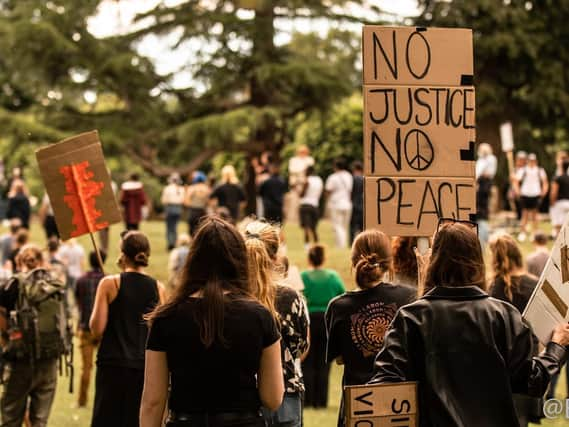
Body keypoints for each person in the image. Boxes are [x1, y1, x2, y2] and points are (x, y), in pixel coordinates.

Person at [371, 221, 569, 427]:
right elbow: (532, 382)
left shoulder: (411, 318)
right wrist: (556, 347)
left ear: (435, 261)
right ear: (477, 261)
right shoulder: (503, 315)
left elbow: (384, 385)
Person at [140, 216, 284, 427]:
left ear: (193, 260)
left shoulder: (166, 318)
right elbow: (273, 398)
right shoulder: (260, 316)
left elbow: (153, 401)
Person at [326, 230, 416, 426]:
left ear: (352, 261)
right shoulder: (410, 297)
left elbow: (340, 358)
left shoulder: (338, 306)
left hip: (358, 404)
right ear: (389, 261)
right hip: (401, 404)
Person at [90, 231, 165, 427]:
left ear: (122, 254)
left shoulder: (109, 284)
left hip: (112, 364)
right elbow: (162, 334)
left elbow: (97, 329)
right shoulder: (159, 289)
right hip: (144, 367)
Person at [243, 220, 309, 427]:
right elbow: (301, 347)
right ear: (276, 254)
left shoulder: (234, 294)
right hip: (285, 391)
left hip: (244, 393)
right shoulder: (290, 296)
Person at [0, 245, 63, 427]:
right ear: (42, 262)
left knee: (11, 418)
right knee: (39, 420)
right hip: (49, 360)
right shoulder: (54, 286)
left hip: (20, 359)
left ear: (18, 263)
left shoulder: (10, 286)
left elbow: (2, 321)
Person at [488, 233, 543, 426]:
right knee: (521, 418)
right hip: (529, 355)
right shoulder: (534, 283)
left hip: (500, 359)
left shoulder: (493, 287)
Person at [301, 244, 345, 408]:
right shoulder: (333, 277)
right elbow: (342, 294)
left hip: (309, 322)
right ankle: (321, 401)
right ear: (324, 258)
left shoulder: (303, 276)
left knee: (308, 362)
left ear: (309, 259)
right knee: (324, 362)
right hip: (327, 321)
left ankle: (308, 400)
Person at [74, 250, 107, 408]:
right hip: (104, 329)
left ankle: (81, 402)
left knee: (85, 368)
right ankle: (105, 399)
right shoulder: (107, 280)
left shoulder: (81, 280)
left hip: (85, 327)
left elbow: (78, 303)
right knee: (106, 367)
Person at [515, 153, 548, 241]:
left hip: (536, 194)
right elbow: (516, 181)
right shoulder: (523, 170)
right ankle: (523, 232)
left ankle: (535, 233)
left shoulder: (540, 170)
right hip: (525, 194)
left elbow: (545, 182)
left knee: (535, 214)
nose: (532, 162)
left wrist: (543, 191)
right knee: (524, 214)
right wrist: (518, 191)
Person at [325, 158, 353, 249]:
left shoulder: (333, 177)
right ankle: (342, 245)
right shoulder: (349, 176)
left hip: (336, 204)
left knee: (337, 226)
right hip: (347, 204)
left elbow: (328, 190)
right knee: (344, 226)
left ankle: (341, 246)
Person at [476, 143, 497, 251]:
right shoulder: (481, 160)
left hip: (484, 184)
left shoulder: (490, 159)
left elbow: (487, 173)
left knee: (482, 211)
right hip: (481, 183)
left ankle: (483, 241)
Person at [299, 166, 323, 250]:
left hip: (305, 204)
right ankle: (317, 245)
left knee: (306, 227)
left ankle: (307, 246)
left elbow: (301, 194)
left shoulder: (307, 180)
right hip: (315, 205)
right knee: (314, 228)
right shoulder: (319, 180)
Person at [161, 173, 185, 251]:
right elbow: (183, 200)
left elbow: (164, 200)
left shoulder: (167, 188)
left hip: (170, 207)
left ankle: (170, 244)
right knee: (175, 227)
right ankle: (174, 243)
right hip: (178, 208)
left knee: (169, 227)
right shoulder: (182, 189)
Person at [185, 171, 211, 236]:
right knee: (202, 230)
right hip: (203, 212)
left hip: (193, 211)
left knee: (191, 231)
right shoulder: (207, 188)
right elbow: (209, 202)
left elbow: (186, 202)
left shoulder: (192, 188)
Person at [550, 158, 569, 237]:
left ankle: (559, 242)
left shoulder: (557, 178)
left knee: (558, 224)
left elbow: (554, 192)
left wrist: (552, 202)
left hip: (559, 203)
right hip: (568, 203)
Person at [350, 161, 364, 244]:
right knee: (362, 226)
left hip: (354, 203)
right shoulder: (364, 178)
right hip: (362, 204)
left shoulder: (353, 178)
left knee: (353, 226)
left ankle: (352, 242)